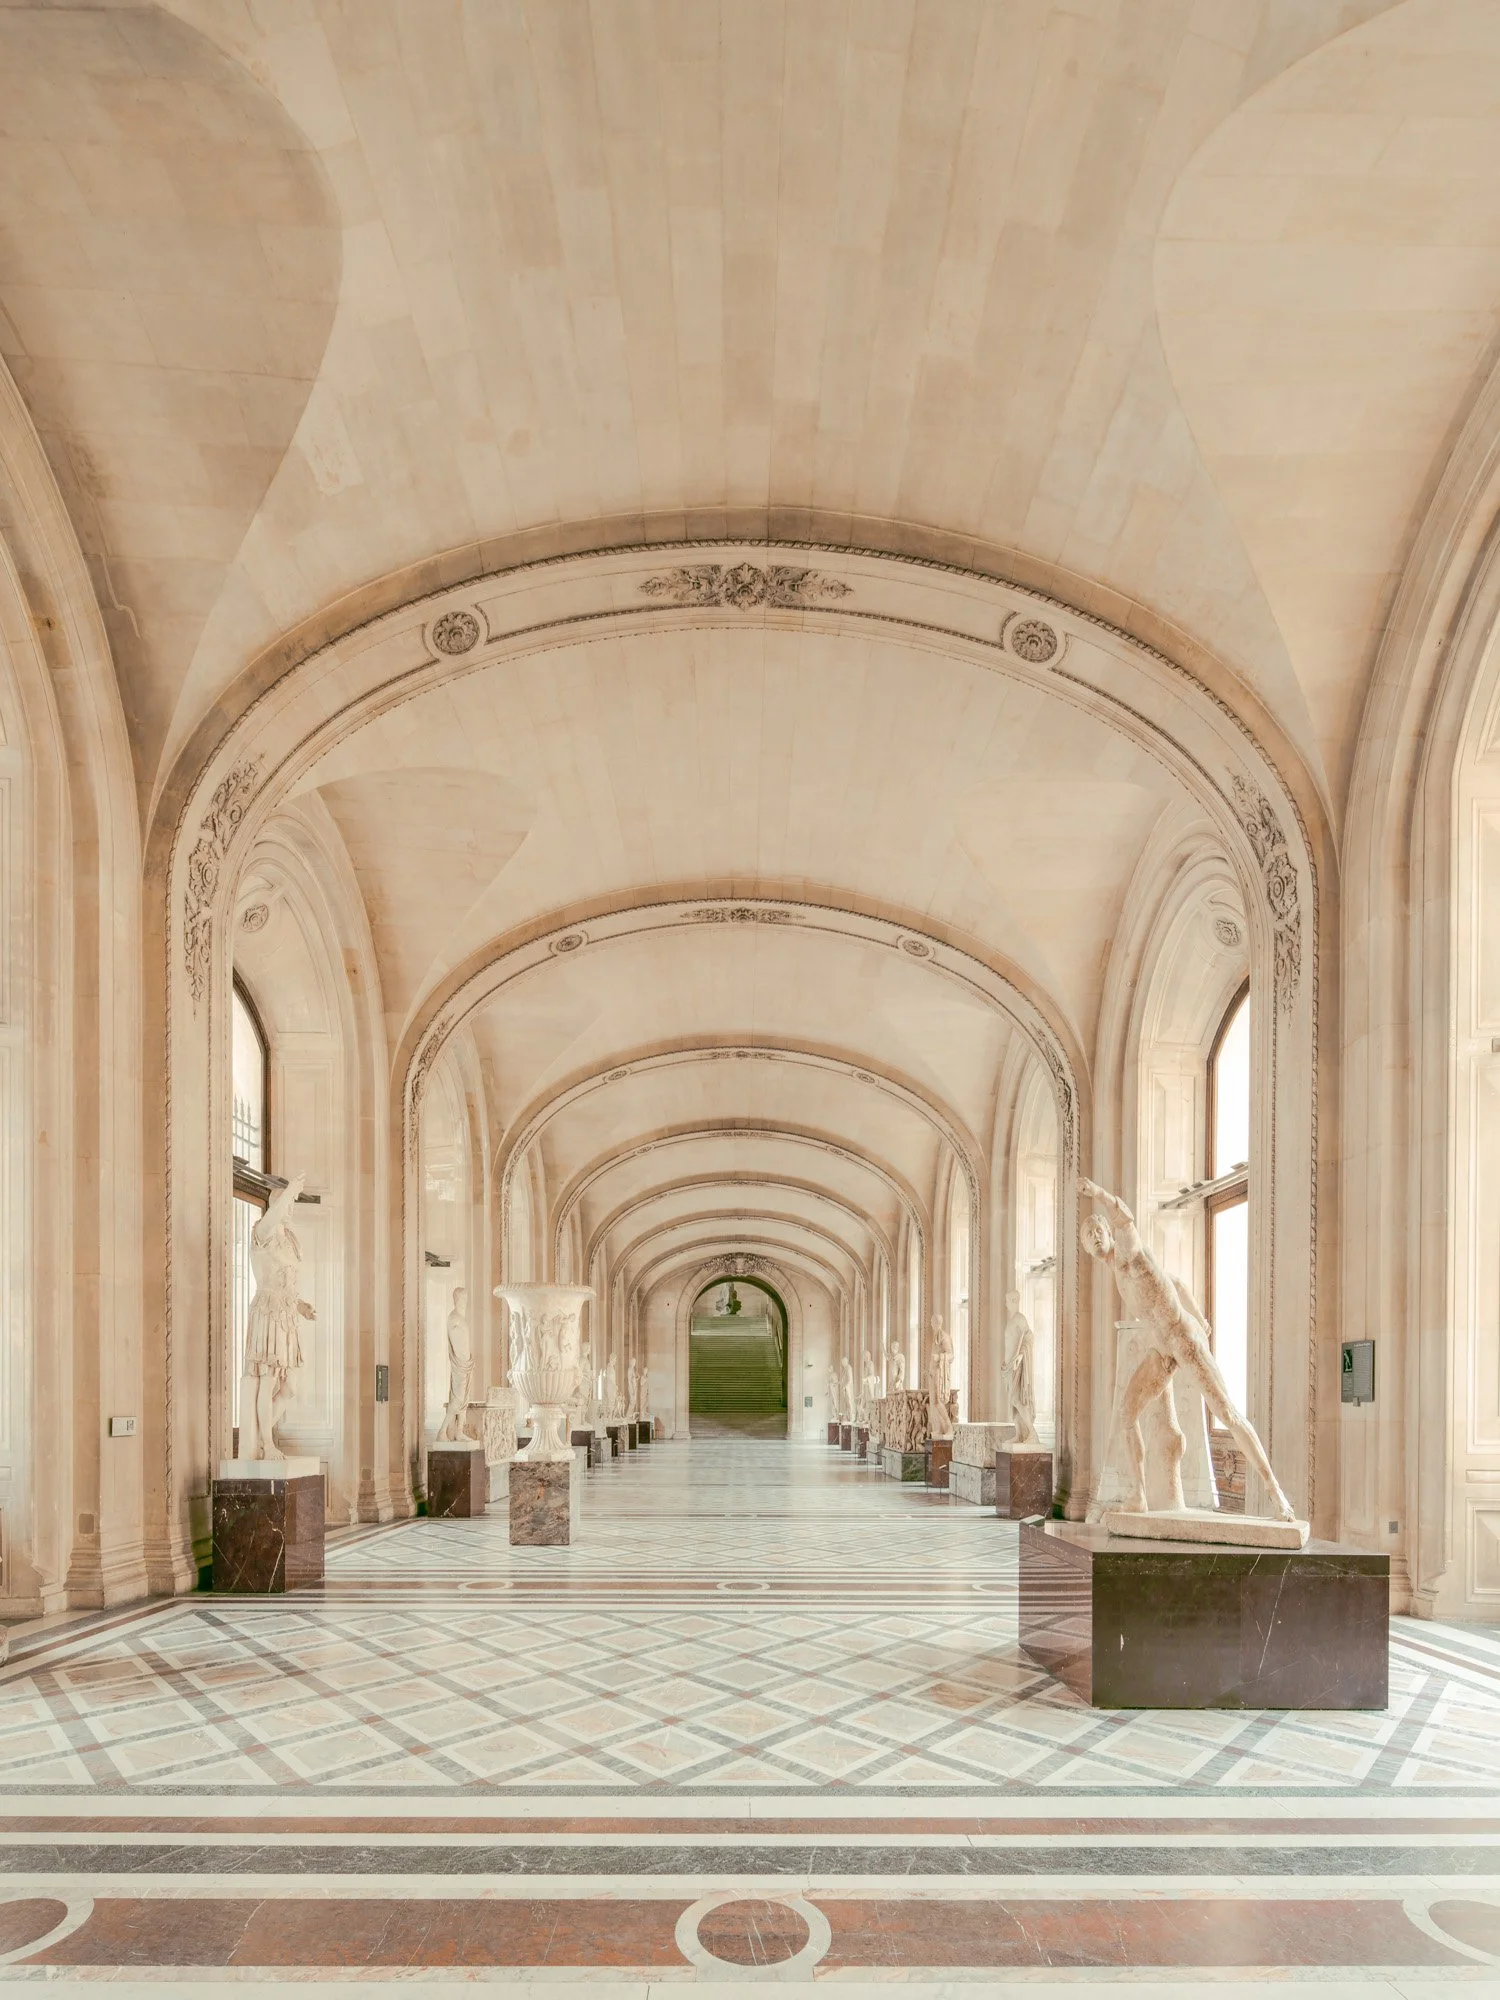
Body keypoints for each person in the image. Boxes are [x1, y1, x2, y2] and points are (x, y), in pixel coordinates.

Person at [1077, 1177, 1294, 1520]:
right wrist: (1199, 1311)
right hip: (1162, 1350)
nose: (1093, 1237)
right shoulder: (1118, 1276)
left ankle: (1276, 1494)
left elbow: (1125, 1219)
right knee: (1127, 1413)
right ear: (1088, 1251)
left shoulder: (1130, 1254)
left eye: (1096, 1230)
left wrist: (1098, 1194)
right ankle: (1139, 1495)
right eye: (1087, 1237)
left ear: (1107, 1233)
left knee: (1227, 1412)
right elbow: (1175, 1281)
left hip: (1182, 1338)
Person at [240, 1173, 316, 1461]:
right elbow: (273, 1216)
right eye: (290, 1201)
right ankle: (267, 1445)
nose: (292, 1205)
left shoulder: (290, 1241)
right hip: (268, 1312)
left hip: (286, 1316)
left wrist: (301, 1306)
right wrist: (289, 1190)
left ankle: (260, 1438)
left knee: (290, 1388)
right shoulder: (263, 1232)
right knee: (268, 1379)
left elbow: (287, 1285)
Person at [436, 1286, 473, 1442]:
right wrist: (463, 1360)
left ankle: (459, 1432)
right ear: (456, 1299)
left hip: (466, 1363)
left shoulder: (460, 1318)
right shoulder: (454, 1319)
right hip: (460, 1364)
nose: (465, 1301)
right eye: (463, 1298)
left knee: (464, 1399)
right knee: (457, 1398)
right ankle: (442, 1431)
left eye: (465, 1298)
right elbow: (457, 1344)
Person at [1002, 1290, 1036, 1446]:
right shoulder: (1011, 1320)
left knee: (1017, 1399)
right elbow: (1009, 1344)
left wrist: (1020, 1356)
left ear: (1014, 1300)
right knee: (1012, 1402)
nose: (1005, 1304)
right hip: (1008, 1366)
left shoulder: (1020, 1319)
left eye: (1007, 1300)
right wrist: (1005, 1361)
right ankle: (1019, 1434)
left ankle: (1032, 1433)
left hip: (1017, 1365)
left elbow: (1029, 1337)